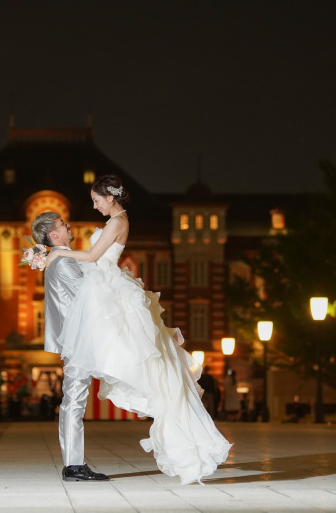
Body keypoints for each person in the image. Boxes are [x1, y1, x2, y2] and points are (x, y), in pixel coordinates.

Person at [46, 175, 232, 485]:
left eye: (96, 200)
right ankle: (74, 463)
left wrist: (57, 253)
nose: (94, 206)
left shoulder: (118, 221)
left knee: (127, 365)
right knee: (114, 366)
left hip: (105, 292)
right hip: (102, 290)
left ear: (110, 197)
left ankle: (76, 463)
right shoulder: (116, 220)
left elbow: (92, 257)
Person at [31, 211, 109, 482]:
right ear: (54, 235)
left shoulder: (60, 259)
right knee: (74, 400)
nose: (69, 226)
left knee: (73, 399)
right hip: (78, 340)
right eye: (63, 225)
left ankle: (73, 463)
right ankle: (73, 465)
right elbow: (88, 297)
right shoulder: (63, 262)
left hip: (76, 339)